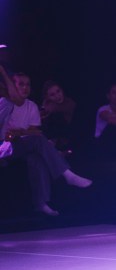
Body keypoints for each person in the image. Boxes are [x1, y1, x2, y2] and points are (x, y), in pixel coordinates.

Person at [0, 68, 92, 216]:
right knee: (37, 141)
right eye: (21, 84)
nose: (25, 88)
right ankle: (67, 174)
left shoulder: (31, 106)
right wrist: (18, 134)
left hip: (24, 146)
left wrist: (20, 132)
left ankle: (41, 203)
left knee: (36, 158)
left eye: (28, 84)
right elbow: (14, 135)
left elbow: (35, 132)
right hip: (5, 147)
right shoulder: (5, 103)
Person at [40, 81, 77, 152]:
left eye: (58, 91)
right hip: (52, 138)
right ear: (47, 97)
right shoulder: (48, 106)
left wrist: (46, 107)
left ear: (62, 90)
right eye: (52, 95)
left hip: (68, 139)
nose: (57, 96)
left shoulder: (70, 103)